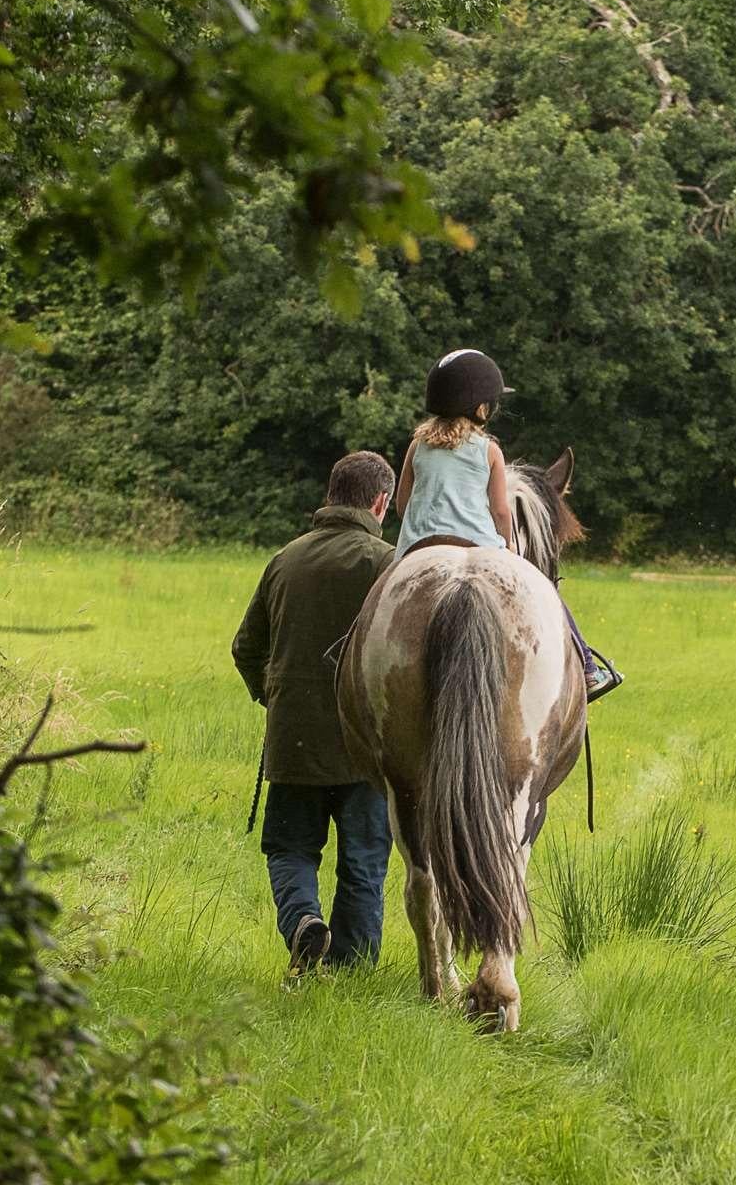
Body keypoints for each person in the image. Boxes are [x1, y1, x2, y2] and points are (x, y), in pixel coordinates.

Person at [231, 451, 399, 976]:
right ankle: (351, 974)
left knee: (289, 849)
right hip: (365, 746)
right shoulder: (389, 563)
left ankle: (304, 922)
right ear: (380, 501)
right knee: (364, 866)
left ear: (331, 494)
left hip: (292, 740)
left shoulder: (285, 559)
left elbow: (245, 648)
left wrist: (277, 697)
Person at [392, 348, 621, 699]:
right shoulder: (488, 451)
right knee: (545, 592)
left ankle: (346, 647)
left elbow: (402, 503)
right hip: (480, 545)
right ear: (482, 408)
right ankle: (589, 669)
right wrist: (510, 549)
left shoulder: (416, 447)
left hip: (417, 547)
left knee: (377, 597)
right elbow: (501, 511)